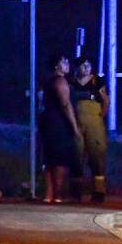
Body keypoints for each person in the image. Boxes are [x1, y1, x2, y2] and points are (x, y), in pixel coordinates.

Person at [39, 54, 82, 204]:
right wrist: (75, 126)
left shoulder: (47, 81)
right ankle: (58, 194)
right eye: (63, 62)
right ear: (56, 65)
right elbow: (66, 104)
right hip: (59, 122)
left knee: (50, 158)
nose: (67, 64)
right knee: (60, 158)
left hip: (48, 120)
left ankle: (48, 194)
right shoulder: (60, 81)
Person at [71, 57, 110, 202]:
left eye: (88, 64)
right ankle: (76, 192)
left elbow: (106, 102)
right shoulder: (71, 83)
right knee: (76, 157)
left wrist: (100, 117)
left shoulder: (99, 82)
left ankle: (99, 192)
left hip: (95, 122)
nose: (86, 67)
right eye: (82, 65)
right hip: (76, 122)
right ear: (77, 68)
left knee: (97, 157)